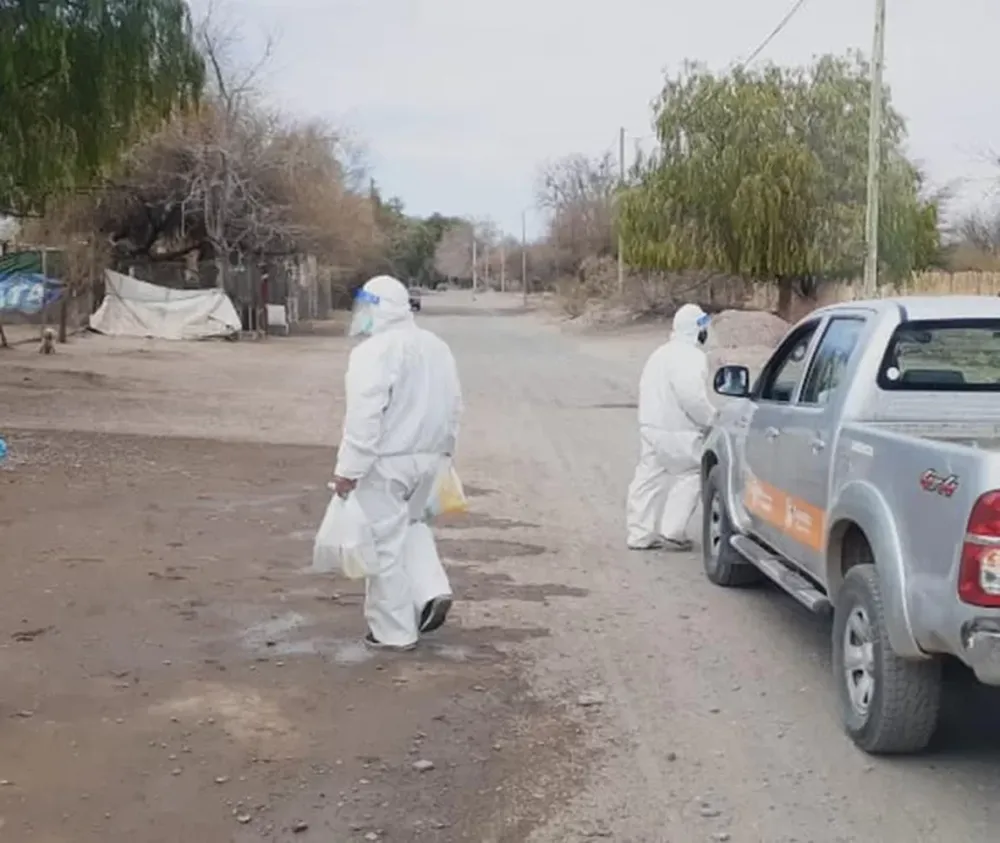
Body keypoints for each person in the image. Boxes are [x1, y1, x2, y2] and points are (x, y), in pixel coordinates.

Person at [331, 275, 463, 651]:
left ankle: (393, 632)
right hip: (430, 459)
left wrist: (348, 471)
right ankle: (431, 591)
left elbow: (364, 418)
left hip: (387, 464)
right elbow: (455, 405)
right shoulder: (436, 346)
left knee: (384, 545)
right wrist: (446, 454)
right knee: (414, 527)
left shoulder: (373, 353)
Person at [625, 303, 717, 551]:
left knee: (648, 478)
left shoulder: (660, 353)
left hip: (651, 427)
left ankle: (639, 535)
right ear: (698, 331)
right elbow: (692, 398)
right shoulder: (692, 357)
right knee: (693, 471)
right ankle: (673, 531)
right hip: (679, 430)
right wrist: (711, 420)